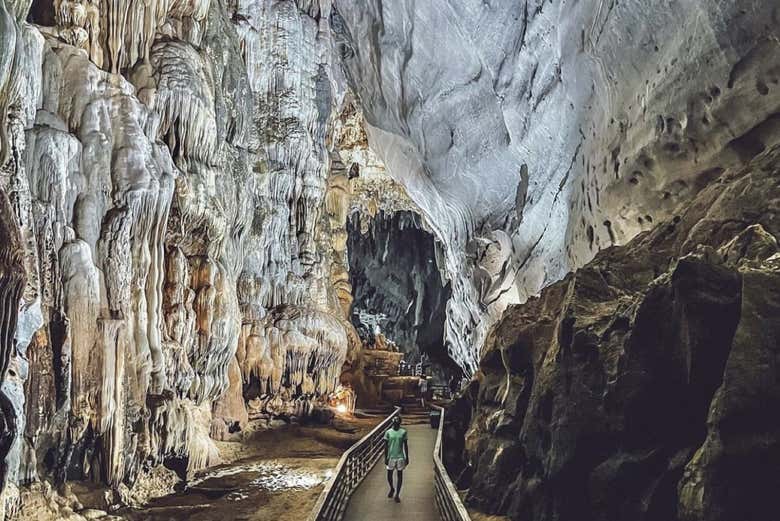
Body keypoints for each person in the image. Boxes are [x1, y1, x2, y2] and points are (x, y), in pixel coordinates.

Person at [383, 415, 409, 503]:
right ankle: (392, 488)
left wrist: (407, 457)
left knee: (400, 475)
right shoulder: (388, 432)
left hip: (400, 456)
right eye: (394, 421)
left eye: (397, 421)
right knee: (389, 475)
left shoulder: (403, 432)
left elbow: (405, 445)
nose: (395, 423)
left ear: (400, 423)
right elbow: (385, 446)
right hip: (391, 456)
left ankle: (397, 494)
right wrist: (385, 457)